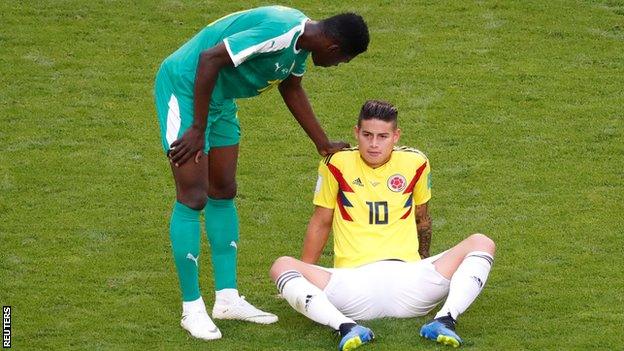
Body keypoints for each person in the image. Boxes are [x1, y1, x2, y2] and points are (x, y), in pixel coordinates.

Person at [153, 6, 369, 340]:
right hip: (185, 89)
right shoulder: (280, 32)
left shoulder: (303, 44)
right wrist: (196, 127)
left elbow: (291, 88)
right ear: (334, 48)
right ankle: (191, 308)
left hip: (219, 99)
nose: (339, 66)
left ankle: (226, 299)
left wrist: (322, 143)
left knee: (223, 190)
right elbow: (209, 59)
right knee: (193, 196)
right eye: (344, 60)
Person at [269, 100, 496, 350]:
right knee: (282, 265)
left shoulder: (416, 163)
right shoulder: (336, 163)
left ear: (396, 136)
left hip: (406, 283)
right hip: (353, 286)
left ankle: (444, 319)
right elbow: (321, 221)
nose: (374, 144)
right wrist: (306, 273)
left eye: (382, 136)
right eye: (367, 135)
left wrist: (423, 265)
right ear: (356, 133)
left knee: (482, 242)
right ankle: (346, 326)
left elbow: (422, 219)